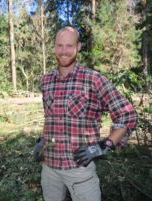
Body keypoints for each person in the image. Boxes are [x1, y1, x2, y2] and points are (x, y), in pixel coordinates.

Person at [39, 26, 137, 201]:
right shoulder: (46, 81)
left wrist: (104, 145)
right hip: (49, 169)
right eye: (59, 45)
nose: (63, 51)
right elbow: (52, 119)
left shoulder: (93, 79)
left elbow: (126, 114)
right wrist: (44, 141)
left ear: (79, 47)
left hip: (80, 171)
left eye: (69, 46)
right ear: (54, 47)